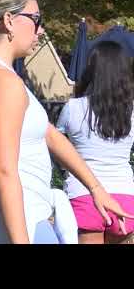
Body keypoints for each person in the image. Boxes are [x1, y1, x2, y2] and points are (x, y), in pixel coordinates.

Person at [0, 0, 133, 244]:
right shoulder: (4, 83)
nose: (41, 30)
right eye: (35, 19)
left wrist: (97, 189)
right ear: (9, 21)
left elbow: (51, 136)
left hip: (17, 205)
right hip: (12, 212)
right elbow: (5, 171)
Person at [56, 41, 134, 244]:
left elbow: (57, 150)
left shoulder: (72, 108)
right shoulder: (132, 111)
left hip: (83, 195)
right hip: (125, 198)